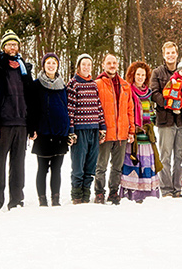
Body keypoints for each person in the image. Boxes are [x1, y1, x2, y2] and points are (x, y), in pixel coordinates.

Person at [0, 32, 37, 212]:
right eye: (9, 45)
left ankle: (17, 200)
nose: (12, 48)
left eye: (15, 45)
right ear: (3, 46)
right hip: (2, 123)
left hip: (21, 122)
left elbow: (31, 98)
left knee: (18, 164)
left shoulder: (24, 68)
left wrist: (32, 125)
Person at [152, 42, 182, 197]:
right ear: (164, 55)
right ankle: (166, 188)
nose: (170, 55)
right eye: (168, 53)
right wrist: (168, 102)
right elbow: (153, 92)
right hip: (165, 120)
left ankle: (178, 187)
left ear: (177, 54)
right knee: (165, 155)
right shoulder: (157, 72)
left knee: (180, 155)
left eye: (173, 53)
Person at [30, 51, 71, 207]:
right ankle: (42, 199)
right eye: (48, 63)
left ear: (58, 65)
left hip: (60, 132)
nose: (51, 65)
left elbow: (66, 107)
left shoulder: (63, 86)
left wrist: (68, 129)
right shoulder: (36, 84)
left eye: (54, 63)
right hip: (43, 132)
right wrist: (32, 128)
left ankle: (55, 199)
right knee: (42, 168)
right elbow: (32, 108)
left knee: (57, 169)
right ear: (44, 65)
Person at [94, 53, 137, 204]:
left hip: (122, 133)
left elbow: (130, 109)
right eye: (109, 63)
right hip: (105, 132)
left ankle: (113, 193)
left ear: (117, 65)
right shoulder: (98, 84)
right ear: (103, 65)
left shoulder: (125, 85)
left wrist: (131, 130)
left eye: (114, 63)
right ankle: (99, 192)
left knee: (117, 167)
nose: (112, 65)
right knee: (101, 166)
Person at [118, 60, 160, 203]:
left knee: (146, 162)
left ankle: (147, 193)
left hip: (146, 135)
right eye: (138, 74)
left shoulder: (148, 93)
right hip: (133, 135)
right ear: (133, 75)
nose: (140, 77)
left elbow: (151, 111)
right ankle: (132, 193)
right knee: (133, 163)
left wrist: (151, 121)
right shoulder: (128, 91)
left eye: (143, 75)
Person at [67, 54, 103, 204]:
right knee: (78, 165)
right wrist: (71, 131)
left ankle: (86, 194)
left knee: (91, 164)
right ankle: (76, 195)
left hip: (93, 129)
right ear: (79, 66)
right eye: (84, 65)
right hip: (80, 130)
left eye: (89, 65)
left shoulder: (94, 84)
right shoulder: (73, 84)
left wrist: (102, 127)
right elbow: (70, 109)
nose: (86, 67)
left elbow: (99, 106)